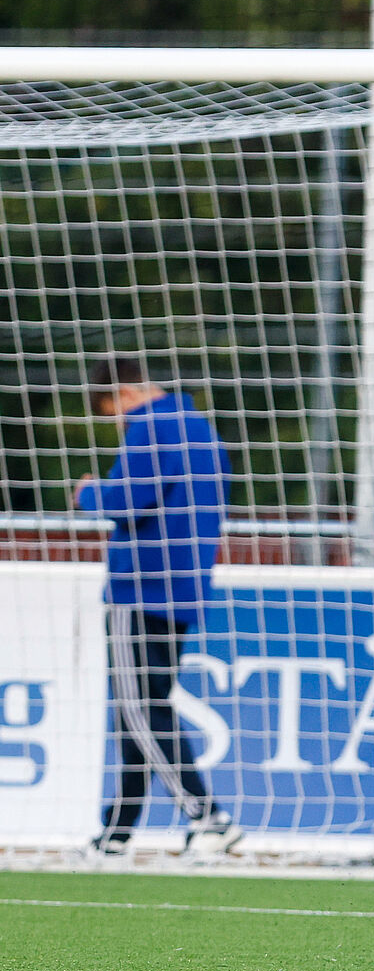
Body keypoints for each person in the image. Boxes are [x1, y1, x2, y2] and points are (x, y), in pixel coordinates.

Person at [73, 355, 240, 858]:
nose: (120, 426)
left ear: (125, 396)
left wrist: (88, 493)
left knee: (137, 709)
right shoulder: (202, 431)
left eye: (114, 415)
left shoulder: (150, 428)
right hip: (185, 587)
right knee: (141, 712)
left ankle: (207, 817)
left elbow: (125, 500)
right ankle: (118, 833)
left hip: (139, 587)